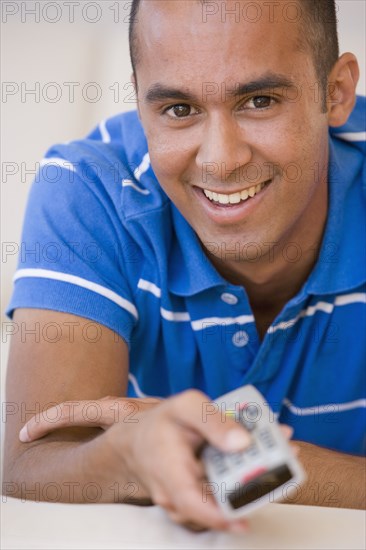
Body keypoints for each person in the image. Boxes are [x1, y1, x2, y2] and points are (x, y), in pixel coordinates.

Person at [3, 0, 365, 531]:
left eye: (259, 100)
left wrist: (240, 464)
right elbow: (26, 466)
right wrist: (131, 455)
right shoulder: (90, 187)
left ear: (335, 92)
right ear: (140, 100)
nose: (219, 159)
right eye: (178, 109)